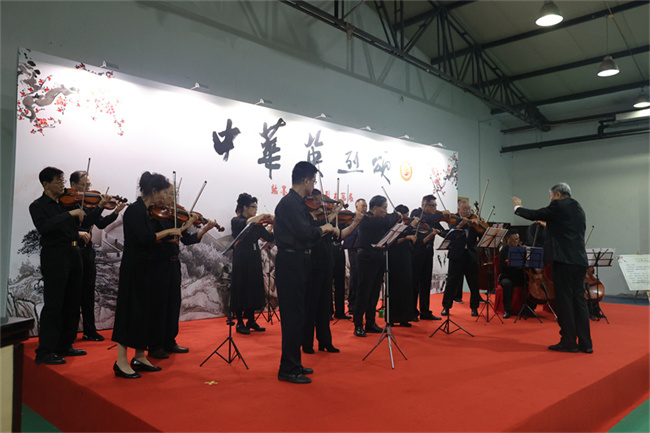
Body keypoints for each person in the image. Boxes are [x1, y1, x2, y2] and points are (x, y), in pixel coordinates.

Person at [111, 172, 182, 379]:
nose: (166, 197)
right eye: (164, 193)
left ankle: (140, 356)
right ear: (154, 191)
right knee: (128, 311)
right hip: (133, 266)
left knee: (143, 312)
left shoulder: (147, 211)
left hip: (146, 266)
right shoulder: (134, 210)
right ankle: (121, 361)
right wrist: (168, 233)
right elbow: (145, 238)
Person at [273, 162, 336, 384]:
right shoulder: (289, 203)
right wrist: (323, 228)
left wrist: (326, 223)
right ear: (306, 181)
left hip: (300, 260)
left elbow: (310, 228)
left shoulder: (298, 204)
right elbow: (306, 233)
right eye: (313, 181)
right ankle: (288, 368)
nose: (314, 186)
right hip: (290, 261)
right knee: (292, 316)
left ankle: (295, 363)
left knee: (299, 314)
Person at [513, 183, 592, 353]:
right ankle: (586, 343)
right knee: (579, 301)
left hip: (564, 261)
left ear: (558, 194)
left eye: (550, 196)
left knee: (564, 301)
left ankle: (569, 342)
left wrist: (517, 207)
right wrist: (548, 225)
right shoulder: (578, 208)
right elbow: (566, 230)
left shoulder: (558, 205)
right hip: (579, 260)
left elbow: (534, 214)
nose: (550, 200)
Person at [147, 186, 217, 359]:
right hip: (158, 264)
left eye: (174, 195)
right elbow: (151, 238)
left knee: (173, 303)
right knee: (159, 304)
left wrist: (204, 229)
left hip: (173, 263)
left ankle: (170, 341)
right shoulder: (153, 215)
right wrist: (186, 225)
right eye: (170, 194)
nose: (173, 198)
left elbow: (188, 240)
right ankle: (155, 345)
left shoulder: (174, 216)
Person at [29, 167, 88, 365]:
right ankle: (45, 351)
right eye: (58, 181)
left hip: (73, 253)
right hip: (55, 255)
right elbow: (45, 227)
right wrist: (69, 214)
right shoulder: (37, 206)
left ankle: (65, 344)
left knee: (72, 302)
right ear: (46, 184)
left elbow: (78, 224)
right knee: (54, 304)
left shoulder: (65, 203)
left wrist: (94, 208)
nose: (62, 184)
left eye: (63, 181)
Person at [67, 170, 126, 342]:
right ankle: (69, 334)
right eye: (84, 185)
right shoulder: (68, 204)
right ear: (73, 185)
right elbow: (85, 222)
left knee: (88, 291)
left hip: (87, 251)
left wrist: (115, 212)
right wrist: (100, 206)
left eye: (89, 185)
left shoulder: (88, 205)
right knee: (73, 294)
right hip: (72, 251)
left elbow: (99, 223)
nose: (88, 189)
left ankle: (89, 330)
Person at [353, 195, 400, 337]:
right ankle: (358, 324)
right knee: (363, 292)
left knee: (374, 292)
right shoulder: (366, 218)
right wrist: (395, 215)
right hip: (366, 258)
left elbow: (388, 225)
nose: (386, 211)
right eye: (384, 208)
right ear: (374, 208)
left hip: (379, 257)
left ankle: (370, 322)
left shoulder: (380, 220)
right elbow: (386, 222)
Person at [230, 193, 274, 335]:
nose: (256, 210)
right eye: (253, 207)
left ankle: (251, 320)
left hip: (254, 256)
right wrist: (262, 216)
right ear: (245, 207)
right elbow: (246, 223)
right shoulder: (237, 220)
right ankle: (240, 322)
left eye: (256, 207)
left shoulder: (257, 224)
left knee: (253, 287)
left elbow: (269, 237)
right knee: (241, 287)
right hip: (242, 257)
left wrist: (274, 225)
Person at [441, 200, 482, 317]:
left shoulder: (474, 220)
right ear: (459, 210)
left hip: (471, 255)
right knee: (451, 282)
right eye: (465, 209)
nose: (468, 211)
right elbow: (451, 233)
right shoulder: (454, 219)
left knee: (474, 283)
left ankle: (474, 307)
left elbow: (481, 234)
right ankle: (446, 307)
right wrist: (462, 224)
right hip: (457, 255)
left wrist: (479, 225)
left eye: (469, 209)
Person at [410, 195, 445, 321]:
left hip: (428, 253)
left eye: (436, 206)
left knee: (426, 283)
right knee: (414, 284)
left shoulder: (434, 219)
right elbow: (425, 218)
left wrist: (456, 229)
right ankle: (412, 312)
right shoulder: (416, 213)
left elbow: (444, 233)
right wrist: (441, 214)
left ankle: (425, 311)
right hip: (416, 253)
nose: (435, 208)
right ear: (424, 205)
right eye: (432, 205)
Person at [387, 205, 417, 327]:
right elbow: (392, 242)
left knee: (406, 287)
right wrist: (406, 236)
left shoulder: (405, 226)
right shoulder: (391, 225)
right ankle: (392, 318)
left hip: (406, 256)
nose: (406, 218)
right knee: (394, 288)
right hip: (395, 257)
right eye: (405, 216)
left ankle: (405, 317)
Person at [341, 198, 367, 316]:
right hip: (354, 250)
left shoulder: (367, 219)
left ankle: (361, 304)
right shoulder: (351, 218)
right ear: (357, 207)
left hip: (364, 251)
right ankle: (352, 304)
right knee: (355, 276)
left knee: (363, 278)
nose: (365, 208)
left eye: (366, 206)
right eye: (363, 206)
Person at [498, 230, 526, 319]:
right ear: (508, 239)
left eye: (517, 239)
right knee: (507, 284)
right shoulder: (504, 251)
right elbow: (503, 266)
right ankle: (507, 310)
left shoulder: (522, 249)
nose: (515, 242)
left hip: (519, 276)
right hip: (507, 276)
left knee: (529, 282)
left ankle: (529, 308)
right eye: (512, 240)